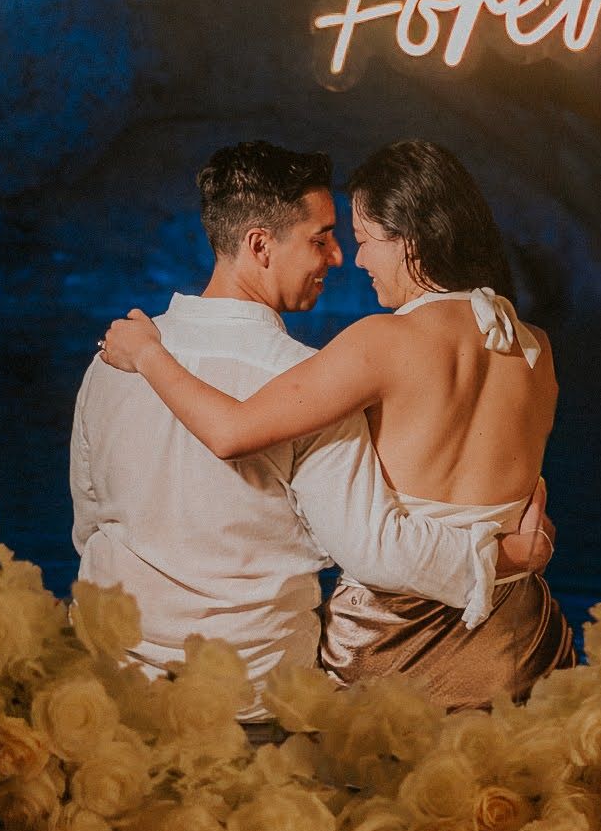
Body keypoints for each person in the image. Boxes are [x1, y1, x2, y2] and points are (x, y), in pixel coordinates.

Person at [70, 141, 550, 722]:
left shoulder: (111, 358)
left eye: (357, 238)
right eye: (323, 239)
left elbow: (90, 519)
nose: (346, 258)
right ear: (259, 245)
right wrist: (512, 552)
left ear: (411, 239)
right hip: (498, 639)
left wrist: (150, 354)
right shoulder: (530, 345)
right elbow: (368, 542)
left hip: (116, 667)